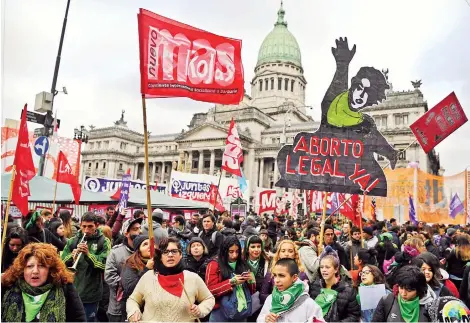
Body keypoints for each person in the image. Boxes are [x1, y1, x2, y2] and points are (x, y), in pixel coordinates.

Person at [127, 237, 215, 322]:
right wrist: (133, 312)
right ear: (160, 256)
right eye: (165, 252)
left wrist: (200, 310)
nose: (170, 255)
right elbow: (133, 300)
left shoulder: (193, 278)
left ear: (180, 255)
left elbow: (209, 298)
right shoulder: (148, 277)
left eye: (174, 251)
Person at [1, 243, 86, 322]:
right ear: (22, 269)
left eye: (41, 266)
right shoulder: (8, 286)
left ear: (51, 269)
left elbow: (79, 319)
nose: (35, 271)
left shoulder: (65, 288)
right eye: (30, 266)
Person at [61, 212, 111, 322]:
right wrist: (71, 256)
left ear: (96, 226)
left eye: (90, 227)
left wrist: (88, 255)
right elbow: (61, 263)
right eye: (84, 226)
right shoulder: (72, 241)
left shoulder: (104, 241)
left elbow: (104, 265)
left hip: (91, 294)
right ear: (80, 225)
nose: (86, 230)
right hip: (72, 291)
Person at [206, 236, 256, 322]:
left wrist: (251, 281)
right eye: (231, 252)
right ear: (224, 251)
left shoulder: (242, 264)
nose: (234, 255)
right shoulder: (214, 264)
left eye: (237, 252)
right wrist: (231, 282)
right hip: (220, 312)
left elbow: (251, 292)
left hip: (241, 313)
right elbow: (210, 290)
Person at [257, 259, 324, 323]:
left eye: (281, 276)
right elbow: (260, 319)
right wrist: (265, 319)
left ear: (294, 277)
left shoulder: (308, 304)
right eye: (275, 275)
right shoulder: (271, 299)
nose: (276, 280)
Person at [104, 217, 143, 321]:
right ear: (126, 233)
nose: (139, 232)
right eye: (135, 229)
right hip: (118, 310)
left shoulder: (144, 252)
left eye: (140, 228)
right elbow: (109, 277)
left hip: (140, 308)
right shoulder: (115, 253)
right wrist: (128, 286)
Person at [309, 246, 360, 322]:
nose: (324, 270)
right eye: (321, 267)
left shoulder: (348, 291)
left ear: (336, 269)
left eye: (327, 267)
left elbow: (354, 316)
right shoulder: (314, 287)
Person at [119, 235, 154, 317]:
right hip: (136, 309)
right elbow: (130, 289)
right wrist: (147, 269)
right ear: (138, 250)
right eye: (145, 244)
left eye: (151, 243)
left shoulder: (160, 261)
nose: (150, 246)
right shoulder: (130, 264)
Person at [244, 235, 270, 322]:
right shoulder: (242, 262)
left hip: (261, 300)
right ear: (247, 248)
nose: (256, 249)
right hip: (245, 299)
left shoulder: (266, 261)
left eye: (259, 246)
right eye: (253, 247)